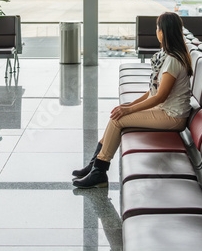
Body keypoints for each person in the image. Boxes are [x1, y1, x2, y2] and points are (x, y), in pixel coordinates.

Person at [72, 12, 193, 188]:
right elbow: (153, 92)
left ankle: (99, 171)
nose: (156, 31)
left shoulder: (172, 60)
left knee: (118, 119)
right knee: (118, 112)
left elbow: (160, 96)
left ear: (163, 32)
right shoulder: (168, 55)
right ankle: (94, 165)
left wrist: (129, 110)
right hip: (165, 110)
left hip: (172, 116)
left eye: (158, 28)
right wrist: (130, 105)